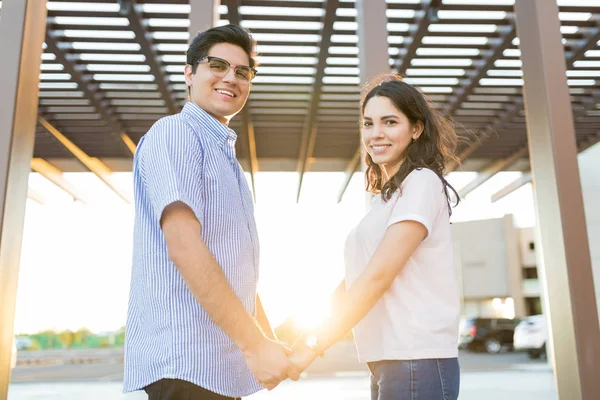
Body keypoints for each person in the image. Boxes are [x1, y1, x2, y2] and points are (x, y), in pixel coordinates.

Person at [123, 24, 298, 400]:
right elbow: (184, 246)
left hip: (216, 372)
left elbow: (237, 271)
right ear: (189, 72)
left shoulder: (222, 154)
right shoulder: (176, 133)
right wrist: (254, 346)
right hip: (188, 368)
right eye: (217, 65)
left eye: (243, 71)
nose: (230, 78)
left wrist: (265, 342)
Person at [289, 74, 462, 400]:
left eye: (390, 122)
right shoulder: (383, 199)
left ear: (416, 129)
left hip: (416, 358)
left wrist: (313, 347)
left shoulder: (422, 183)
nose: (375, 133)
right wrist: (304, 339)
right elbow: (355, 279)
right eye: (368, 123)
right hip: (389, 360)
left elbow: (377, 276)